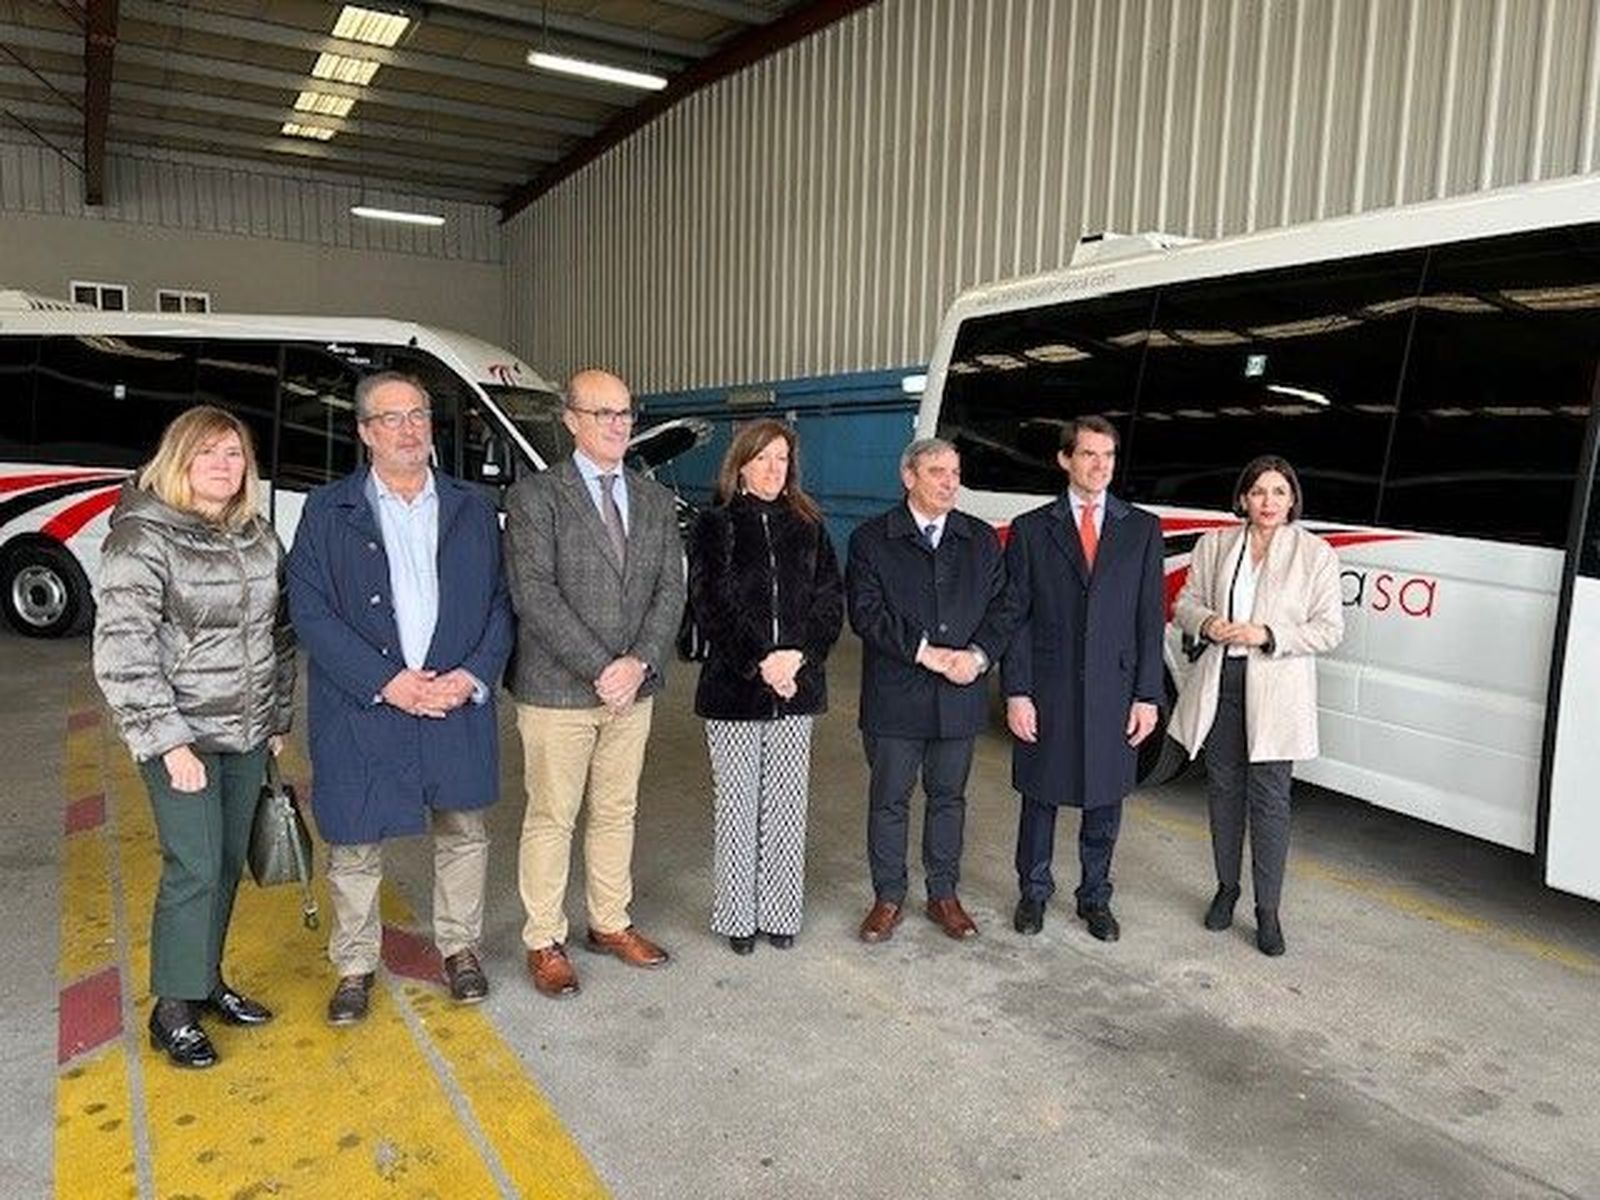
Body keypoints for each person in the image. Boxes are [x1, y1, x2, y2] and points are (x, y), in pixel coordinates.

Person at [287, 371, 513, 1025]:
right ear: (364, 432)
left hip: (451, 697)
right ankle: (355, 964)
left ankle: (460, 948)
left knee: (463, 829)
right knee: (356, 838)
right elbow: (311, 610)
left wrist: (470, 676)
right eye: (391, 418)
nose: (409, 429)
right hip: (367, 704)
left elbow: (502, 604)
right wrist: (387, 682)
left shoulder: (474, 505)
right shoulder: (327, 511)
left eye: (417, 415)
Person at [93, 406, 295, 1069]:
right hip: (183, 735)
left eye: (233, 454)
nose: (221, 464)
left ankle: (205, 982)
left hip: (245, 728)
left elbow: (278, 635)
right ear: (176, 459)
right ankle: (172, 1008)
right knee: (195, 866)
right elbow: (122, 650)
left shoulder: (257, 536)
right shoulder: (141, 539)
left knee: (228, 863)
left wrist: (275, 720)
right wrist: (167, 742)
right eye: (206, 452)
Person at [504, 368, 686, 998]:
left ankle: (609, 922)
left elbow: (671, 590)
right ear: (571, 420)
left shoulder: (656, 500)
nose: (616, 424)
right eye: (602, 413)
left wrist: (637, 662)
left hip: (631, 690)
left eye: (625, 413)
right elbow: (535, 594)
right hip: (558, 690)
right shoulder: (535, 498)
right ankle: (543, 938)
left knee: (616, 810)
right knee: (552, 815)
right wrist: (601, 667)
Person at [1168, 456, 1343, 956]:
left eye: (1279, 493)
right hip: (1222, 681)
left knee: (1270, 801)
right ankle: (1227, 889)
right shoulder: (1216, 544)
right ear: (1243, 498)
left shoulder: (1316, 554)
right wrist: (1207, 624)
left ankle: (1268, 911)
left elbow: (1329, 629)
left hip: (1277, 688)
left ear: (1292, 500)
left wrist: (1267, 634)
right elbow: (1184, 603)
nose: (1269, 502)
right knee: (1223, 791)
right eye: (1259, 492)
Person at [1001, 415, 1164, 943]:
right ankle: (1033, 891)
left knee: (1104, 800)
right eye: (1089, 455)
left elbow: (1147, 617)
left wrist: (1147, 695)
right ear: (1065, 460)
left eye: (1108, 456)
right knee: (1040, 797)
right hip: (1048, 688)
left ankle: (1095, 897)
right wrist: (1017, 691)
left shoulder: (1141, 529)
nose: (1100, 466)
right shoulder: (1031, 529)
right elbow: (1016, 617)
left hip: (1114, 691)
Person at [688, 420, 843, 954]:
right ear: (741, 464)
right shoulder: (716, 524)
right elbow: (712, 604)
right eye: (763, 458)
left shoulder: (810, 525)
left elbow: (829, 601)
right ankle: (737, 917)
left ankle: (779, 913)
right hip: (735, 689)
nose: (774, 469)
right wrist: (761, 660)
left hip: (796, 688)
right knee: (737, 806)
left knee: (785, 804)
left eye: (782, 459)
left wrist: (798, 657)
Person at [846, 437, 1008, 943]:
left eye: (955, 472)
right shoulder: (872, 539)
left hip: (960, 693)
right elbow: (867, 613)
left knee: (948, 798)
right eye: (937, 471)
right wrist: (926, 653)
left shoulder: (980, 539)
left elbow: (1004, 608)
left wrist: (978, 656)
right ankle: (888, 897)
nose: (949, 481)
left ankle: (944, 895)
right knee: (890, 800)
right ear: (908, 476)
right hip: (897, 693)